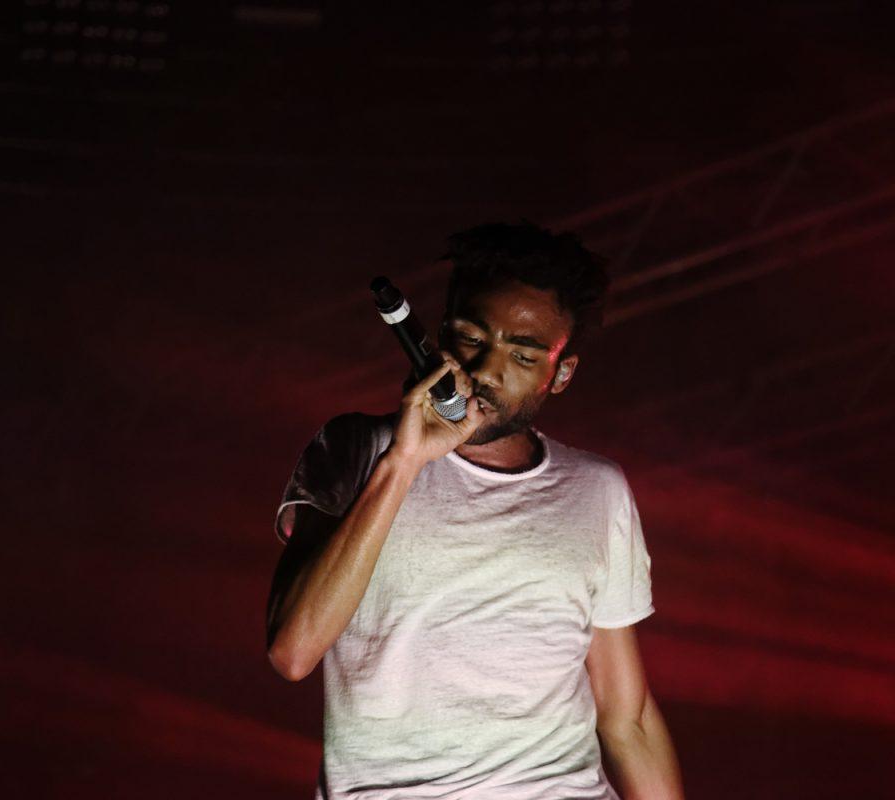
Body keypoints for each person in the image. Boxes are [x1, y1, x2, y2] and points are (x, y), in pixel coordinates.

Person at [266, 221, 685, 799]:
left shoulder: (597, 489)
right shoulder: (355, 448)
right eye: (471, 337)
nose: (489, 369)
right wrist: (405, 461)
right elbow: (293, 650)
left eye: (522, 353)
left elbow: (628, 716)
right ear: (438, 335)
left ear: (560, 374)